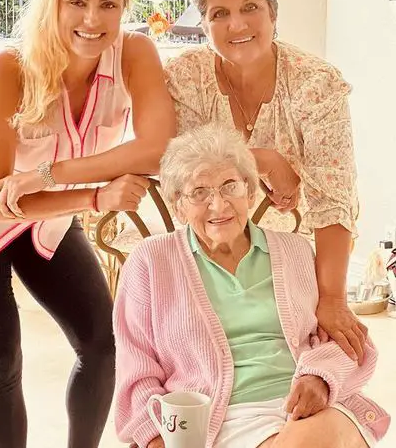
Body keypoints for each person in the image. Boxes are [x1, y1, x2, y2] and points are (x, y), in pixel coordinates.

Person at [0, 0, 175, 448]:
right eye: (77, 1)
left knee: (101, 345)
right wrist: (97, 197)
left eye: (108, 4)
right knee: (1, 351)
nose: (92, 19)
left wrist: (52, 175)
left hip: (50, 213)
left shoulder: (135, 53)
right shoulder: (8, 71)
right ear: (52, 0)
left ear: (125, 6)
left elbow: (156, 146)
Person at [113, 124, 390, 448]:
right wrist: (156, 438)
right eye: (199, 193)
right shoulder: (150, 262)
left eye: (230, 186)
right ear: (179, 207)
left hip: (307, 410)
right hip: (216, 422)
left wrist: (321, 377)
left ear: (250, 190)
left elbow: (342, 340)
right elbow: (137, 371)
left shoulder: (295, 251)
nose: (218, 205)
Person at [164, 0, 364, 363]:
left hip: (297, 252)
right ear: (203, 23)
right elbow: (183, 172)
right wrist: (265, 161)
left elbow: (333, 199)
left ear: (273, 13)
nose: (237, 24)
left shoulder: (317, 83)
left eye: (250, 7)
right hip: (211, 247)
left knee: (323, 360)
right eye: (220, 13)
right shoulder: (185, 77)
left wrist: (331, 298)